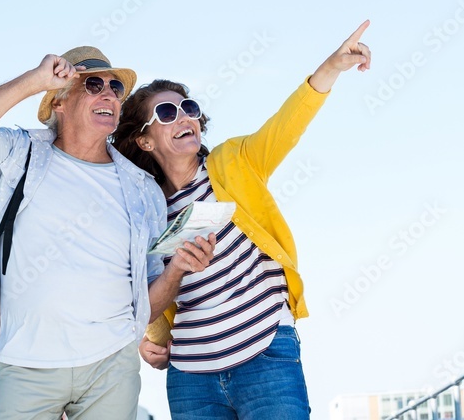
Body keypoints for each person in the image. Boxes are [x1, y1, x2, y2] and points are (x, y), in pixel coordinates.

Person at [111, 21, 373, 420]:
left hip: (266, 355)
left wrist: (332, 67)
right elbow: (132, 287)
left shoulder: (233, 162)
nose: (185, 117)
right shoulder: (141, 208)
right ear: (144, 140)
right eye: (167, 112)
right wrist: (144, 339)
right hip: (191, 378)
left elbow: (286, 126)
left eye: (190, 108)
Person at [0, 45, 216, 420]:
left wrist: (177, 269)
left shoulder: (143, 189)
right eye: (93, 84)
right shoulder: (20, 155)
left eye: (115, 88)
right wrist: (35, 80)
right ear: (59, 101)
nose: (108, 93)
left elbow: (147, 303)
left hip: (111, 368)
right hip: (26, 364)